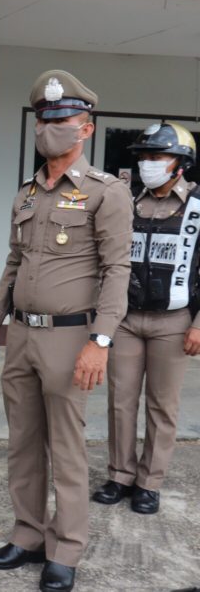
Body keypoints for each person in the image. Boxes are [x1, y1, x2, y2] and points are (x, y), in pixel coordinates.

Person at [0, 70, 133, 592]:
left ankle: (65, 549)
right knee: (22, 443)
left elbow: (117, 271)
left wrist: (100, 341)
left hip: (71, 338)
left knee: (65, 448)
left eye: (62, 120)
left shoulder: (106, 192)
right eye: (43, 120)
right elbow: (14, 262)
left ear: (86, 128)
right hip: (21, 335)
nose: (49, 129)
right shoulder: (26, 193)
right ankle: (27, 535)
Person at [92, 122, 200, 515]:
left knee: (162, 405)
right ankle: (120, 475)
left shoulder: (197, 205)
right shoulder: (128, 201)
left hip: (173, 322)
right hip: (125, 319)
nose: (147, 164)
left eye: (157, 157)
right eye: (144, 157)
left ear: (180, 163)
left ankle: (149, 483)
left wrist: (198, 325)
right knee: (120, 401)